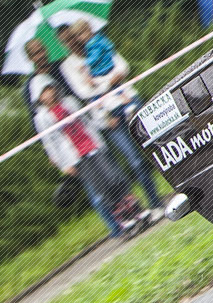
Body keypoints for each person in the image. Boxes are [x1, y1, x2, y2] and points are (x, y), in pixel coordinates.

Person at [58, 20, 161, 211]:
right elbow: (84, 92)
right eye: (66, 40)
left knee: (157, 145)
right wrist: (110, 82)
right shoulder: (68, 66)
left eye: (73, 37)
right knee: (135, 161)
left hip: (128, 100)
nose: (72, 42)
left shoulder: (99, 43)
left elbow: (123, 67)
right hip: (108, 115)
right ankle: (154, 203)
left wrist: (101, 83)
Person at [31, 75, 138, 238]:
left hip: (92, 145)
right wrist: (64, 165)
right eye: (43, 92)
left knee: (114, 178)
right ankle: (123, 221)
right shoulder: (41, 118)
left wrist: (104, 125)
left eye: (49, 89)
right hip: (76, 156)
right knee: (102, 188)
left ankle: (135, 211)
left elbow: (88, 120)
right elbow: (50, 141)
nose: (48, 94)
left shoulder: (69, 102)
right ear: (38, 97)